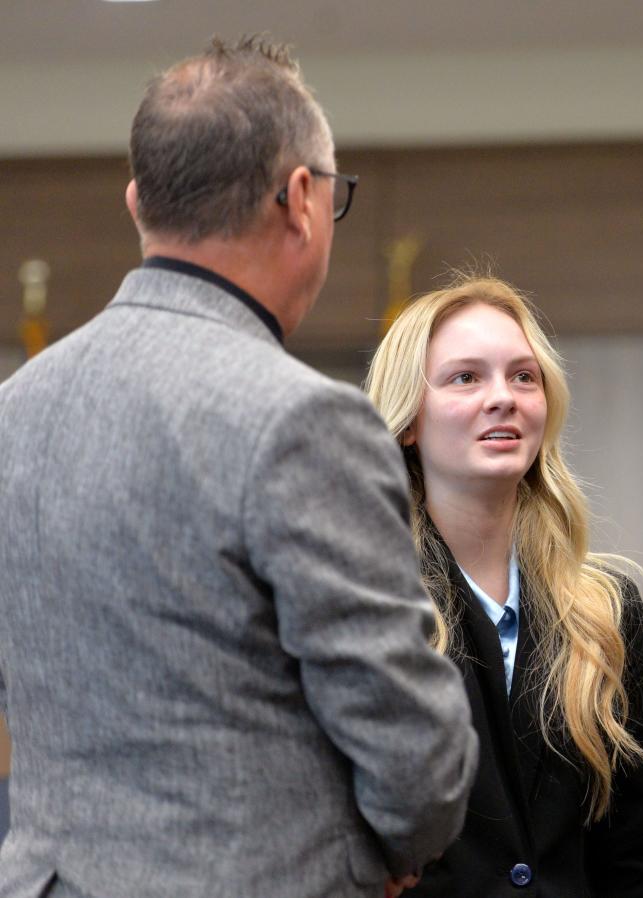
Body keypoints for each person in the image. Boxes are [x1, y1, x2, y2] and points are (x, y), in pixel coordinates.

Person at [0, 37, 477, 898]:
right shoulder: (303, 419)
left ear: (139, 201)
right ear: (300, 199)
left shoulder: (14, 411)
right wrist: (386, 851)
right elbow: (414, 754)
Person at [365, 276, 643, 897]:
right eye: (465, 378)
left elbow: (642, 861)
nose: (503, 398)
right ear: (408, 421)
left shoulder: (607, 610)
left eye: (523, 376)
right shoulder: (365, 602)